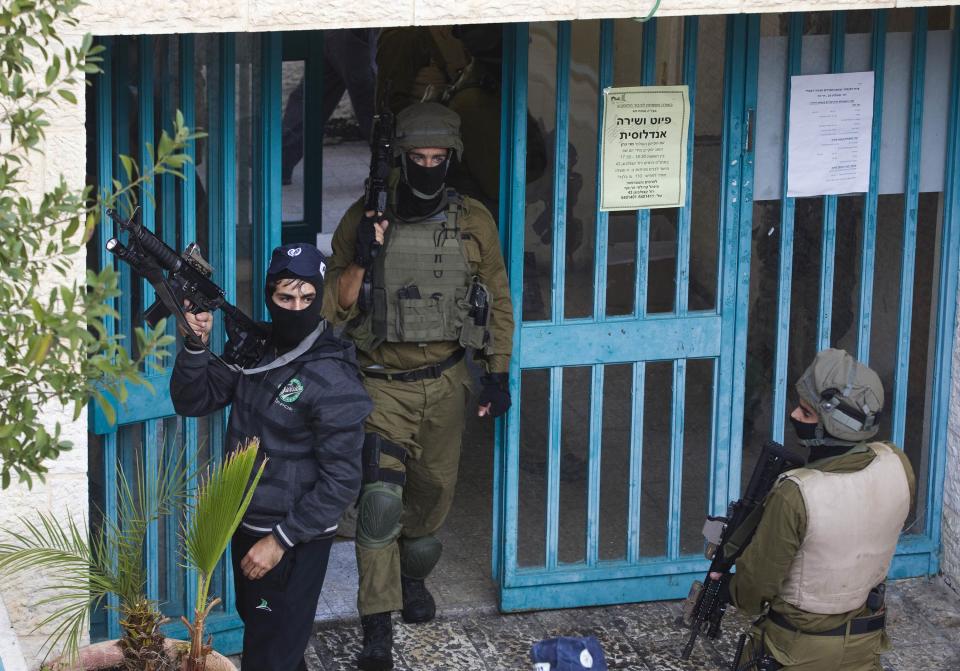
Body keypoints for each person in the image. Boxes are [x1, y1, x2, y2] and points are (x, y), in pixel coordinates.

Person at [322, 102, 514, 671]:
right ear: (402, 159)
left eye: (437, 158)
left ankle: (413, 578)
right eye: (417, 158)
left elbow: (497, 299)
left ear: (450, 159)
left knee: (428, 512)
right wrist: (363, 258)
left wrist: (497, 372)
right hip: (380, 385)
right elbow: (332, 310)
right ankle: (376, 631)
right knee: (380, 506)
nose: (427, 167)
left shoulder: (473, 220)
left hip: (448, 382)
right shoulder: (364, 218)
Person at [170, 243, 372, 671]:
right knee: (270, 639)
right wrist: (195, 345)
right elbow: (193, 400)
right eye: (285, 297)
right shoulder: (257, 349)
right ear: (269, 296)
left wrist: (279, 541)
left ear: (319, 297)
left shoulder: (333, 377)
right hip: (246, 523)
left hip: (293, 542)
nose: (295, 307)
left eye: (306, 298)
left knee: (269, 653)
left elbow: (342, 482)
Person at [716, 348, 915, 671]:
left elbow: (757, 586)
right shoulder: (898, 463)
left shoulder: (797, 492)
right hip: (865, 644)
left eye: (807, 413)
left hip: (796, 649)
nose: (795, 416)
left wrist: (730, 589)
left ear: (832, 427)